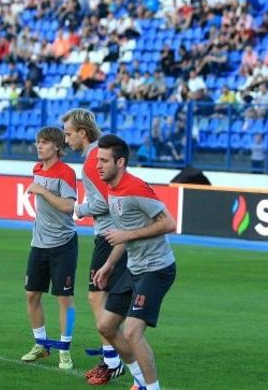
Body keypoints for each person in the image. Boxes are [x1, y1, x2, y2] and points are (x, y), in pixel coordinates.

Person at [93, 134, 178, 390]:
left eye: (104, 161)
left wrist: (126, 236)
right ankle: (140, 381)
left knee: (131, 331)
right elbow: (124, 232)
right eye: (98, 160)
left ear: (120, 162)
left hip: (157, 269)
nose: (98, 165)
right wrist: (108, 266)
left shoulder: (136, 188)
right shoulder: (111, 188)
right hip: (134, 268)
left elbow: (169, 223)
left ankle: (153, 388)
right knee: (106, 326)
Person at [61, 108, 128, 384]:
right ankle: (113, 357)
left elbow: (102, 202)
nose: (66, 140)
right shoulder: (99, 156)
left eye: (68, 134)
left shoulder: (92, 160)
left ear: (82, 133)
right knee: (107, 298)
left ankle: (113, 361)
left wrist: (78, 209)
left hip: (110, 234)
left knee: (96, 296)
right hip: (118, 232)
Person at [21, 126, 78, 370]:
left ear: (57, 146)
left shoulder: (66, 172)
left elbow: (68, 207)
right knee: (32, 294)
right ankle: (42, 345)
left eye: (44, 142)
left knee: (64, 298)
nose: (39, 146)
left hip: (63, 244)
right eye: (37, 142)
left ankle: (64, 350)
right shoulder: (36, 168)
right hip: (39, 243)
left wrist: (42, 190)